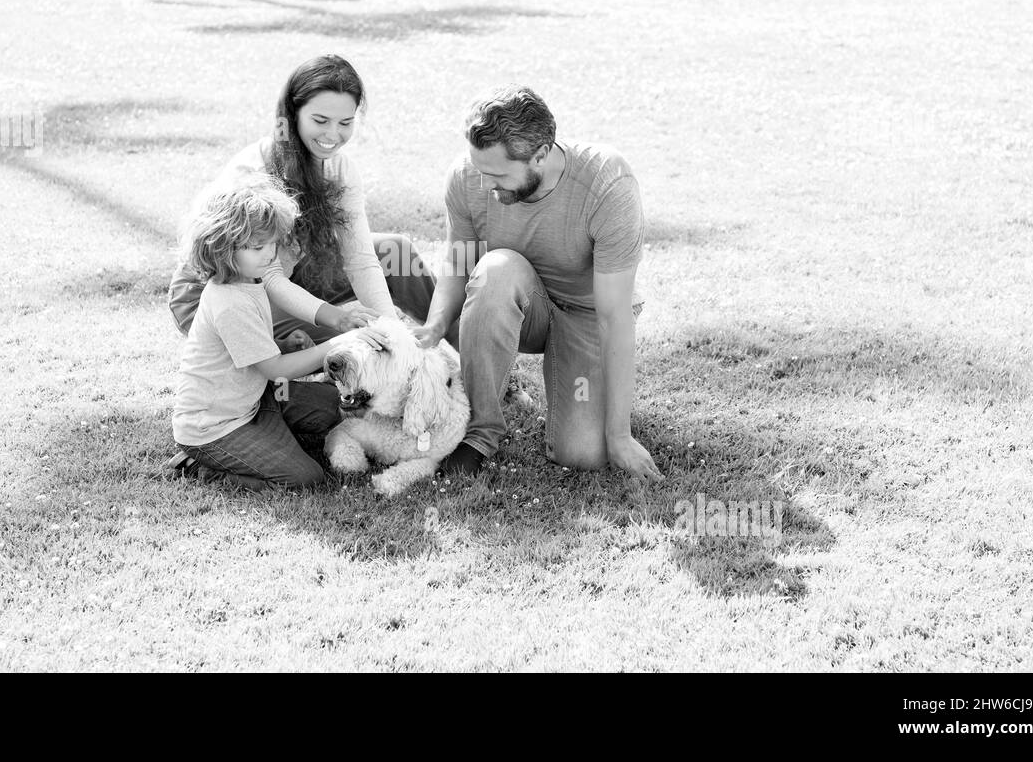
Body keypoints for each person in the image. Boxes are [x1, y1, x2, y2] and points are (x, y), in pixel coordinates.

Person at [413, 85, 664, 483]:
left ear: (541, 155)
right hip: (517, 301)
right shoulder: (468, 176)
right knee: (496, 270)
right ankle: (479, 434)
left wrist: (619, 436)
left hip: (587, 315)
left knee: (581, 454)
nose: (486, 183)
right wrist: (435, 324)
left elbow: (615, 317)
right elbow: (459, 262)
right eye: (480, 169)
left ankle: (583, 391)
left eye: (497, 174)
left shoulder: (607, 182)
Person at [169, 54, 437, 346]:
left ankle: (471, 354)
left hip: (288, 276)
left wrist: (391, 328)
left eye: (345, 122)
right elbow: (269, 277)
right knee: (359, 339)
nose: (333, 135)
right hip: (224, 294)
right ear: (294, 113)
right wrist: (338, 318)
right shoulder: (258, 174)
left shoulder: (339, 169)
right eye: (320, 120)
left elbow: (360, 260)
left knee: (393, 252)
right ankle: (277, 358)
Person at [171, 176, 386, 491]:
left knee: (335, 407)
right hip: (215, 427)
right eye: (257, 247)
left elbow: (251, 351)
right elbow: (275, 369)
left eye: (272, 242)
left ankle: (269, 435)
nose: (269, 254)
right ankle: (206, 466)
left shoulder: (250, 279)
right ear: (220, 247)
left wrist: (284, 344)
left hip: (255, 398)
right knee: (303, 478)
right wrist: (338, 343)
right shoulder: (230, 302)